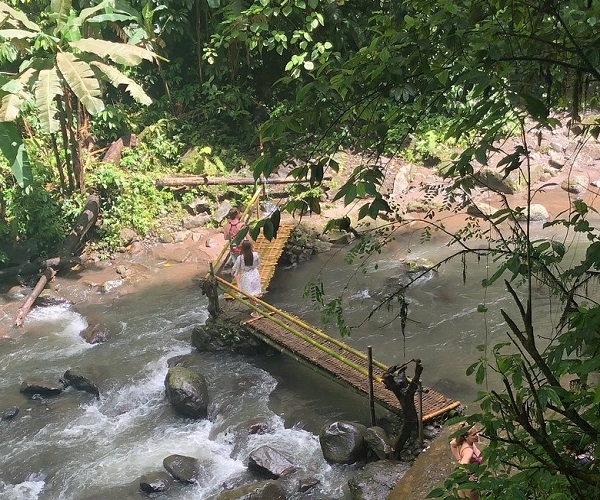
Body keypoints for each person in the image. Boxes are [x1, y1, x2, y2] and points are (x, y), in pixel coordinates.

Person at [450, 425, 482, 499]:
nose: (477, 436)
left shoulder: (462, 442)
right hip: (469, 484)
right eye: (473, 435)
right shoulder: (469, 451)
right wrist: (468, 477)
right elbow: (462, 466)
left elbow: (452, 444)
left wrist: (458, 459)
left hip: (462, 484)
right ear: (466, 437)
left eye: (477, 433)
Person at [232, 240, 262, 316]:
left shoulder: (240, 258)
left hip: (246, 276)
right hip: (255, 274)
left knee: (250, 295)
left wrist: (234, 273)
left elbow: (235, 268)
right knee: (254, 291)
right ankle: (256, 304)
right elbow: (258, 264)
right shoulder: (255, 254)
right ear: (251, 247)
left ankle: (256, 312)